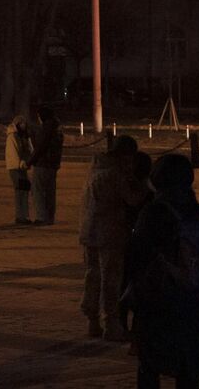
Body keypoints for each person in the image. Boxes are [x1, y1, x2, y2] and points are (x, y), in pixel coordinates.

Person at [125, 154, 199, 389]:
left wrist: (125, 299)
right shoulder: (198, 212)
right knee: (187, 364)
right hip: (193, 297)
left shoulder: (153, 212)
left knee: (150, 362)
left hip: (158, 297)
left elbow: (135, 257)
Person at [79, 135, 145, 341]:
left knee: (93, 276)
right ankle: (111, 324)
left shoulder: (94, 169)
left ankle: (92, 321)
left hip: (89, 231)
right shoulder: (115, 174)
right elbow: (133, 199)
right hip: (110, 233)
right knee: (111, 279)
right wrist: (145, 185)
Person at [30, 106, 63, 226]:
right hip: (53, 164)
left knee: (38, 191)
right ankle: (49, 217)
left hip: (43, 163)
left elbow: (40, 147)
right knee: (50, 192)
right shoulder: (57, 128)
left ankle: (41, 217)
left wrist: (30, 161)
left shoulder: (46, 129)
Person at [4, 115, 34, 225]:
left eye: (24, 123)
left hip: (22, 167)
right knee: (20, 192)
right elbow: (13, 154)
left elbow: (29, 150)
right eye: (22, 123)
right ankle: (20, 216)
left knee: (24, 191)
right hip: (15, 168)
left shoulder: (22, 137)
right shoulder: (12, 137)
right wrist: (21, 163)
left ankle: (24, 215)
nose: (24, 125)